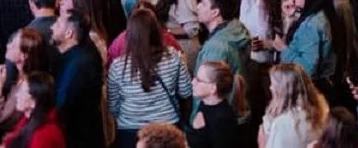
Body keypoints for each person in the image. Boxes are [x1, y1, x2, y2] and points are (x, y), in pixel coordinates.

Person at [107, 8, 194, 148]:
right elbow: (186, 92)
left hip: (130, 131)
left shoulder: (118, 66)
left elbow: (113, 106)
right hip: (168, 127)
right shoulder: (173, 57)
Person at [274, 0, 340, 95]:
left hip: (306, 90)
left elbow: (308, 69)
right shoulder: (316, 15)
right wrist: (290, 19)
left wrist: (283, 49)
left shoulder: (311, 25)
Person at [50, 9, 105, 148]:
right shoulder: (78, 56)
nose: (52, 27)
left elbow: (62, 104)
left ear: (69, 33)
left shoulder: (78, 66)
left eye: (57, 24)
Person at [260, 63, 328, 148]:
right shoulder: (321, 112)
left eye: (273, 84)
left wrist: (262, 143)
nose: (270, 88)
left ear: (284, 89)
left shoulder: (282, 123)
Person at [1, 71, 66, 148]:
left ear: (34, 102)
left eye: (22, 92)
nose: (16, 95)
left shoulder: (43, 136)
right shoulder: (28, 118)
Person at [187, 61, 241, 148]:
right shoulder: (205, 103)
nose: (193, 82)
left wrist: (199, 132)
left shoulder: (222, 119)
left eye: (199, 80)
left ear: (213, 88)